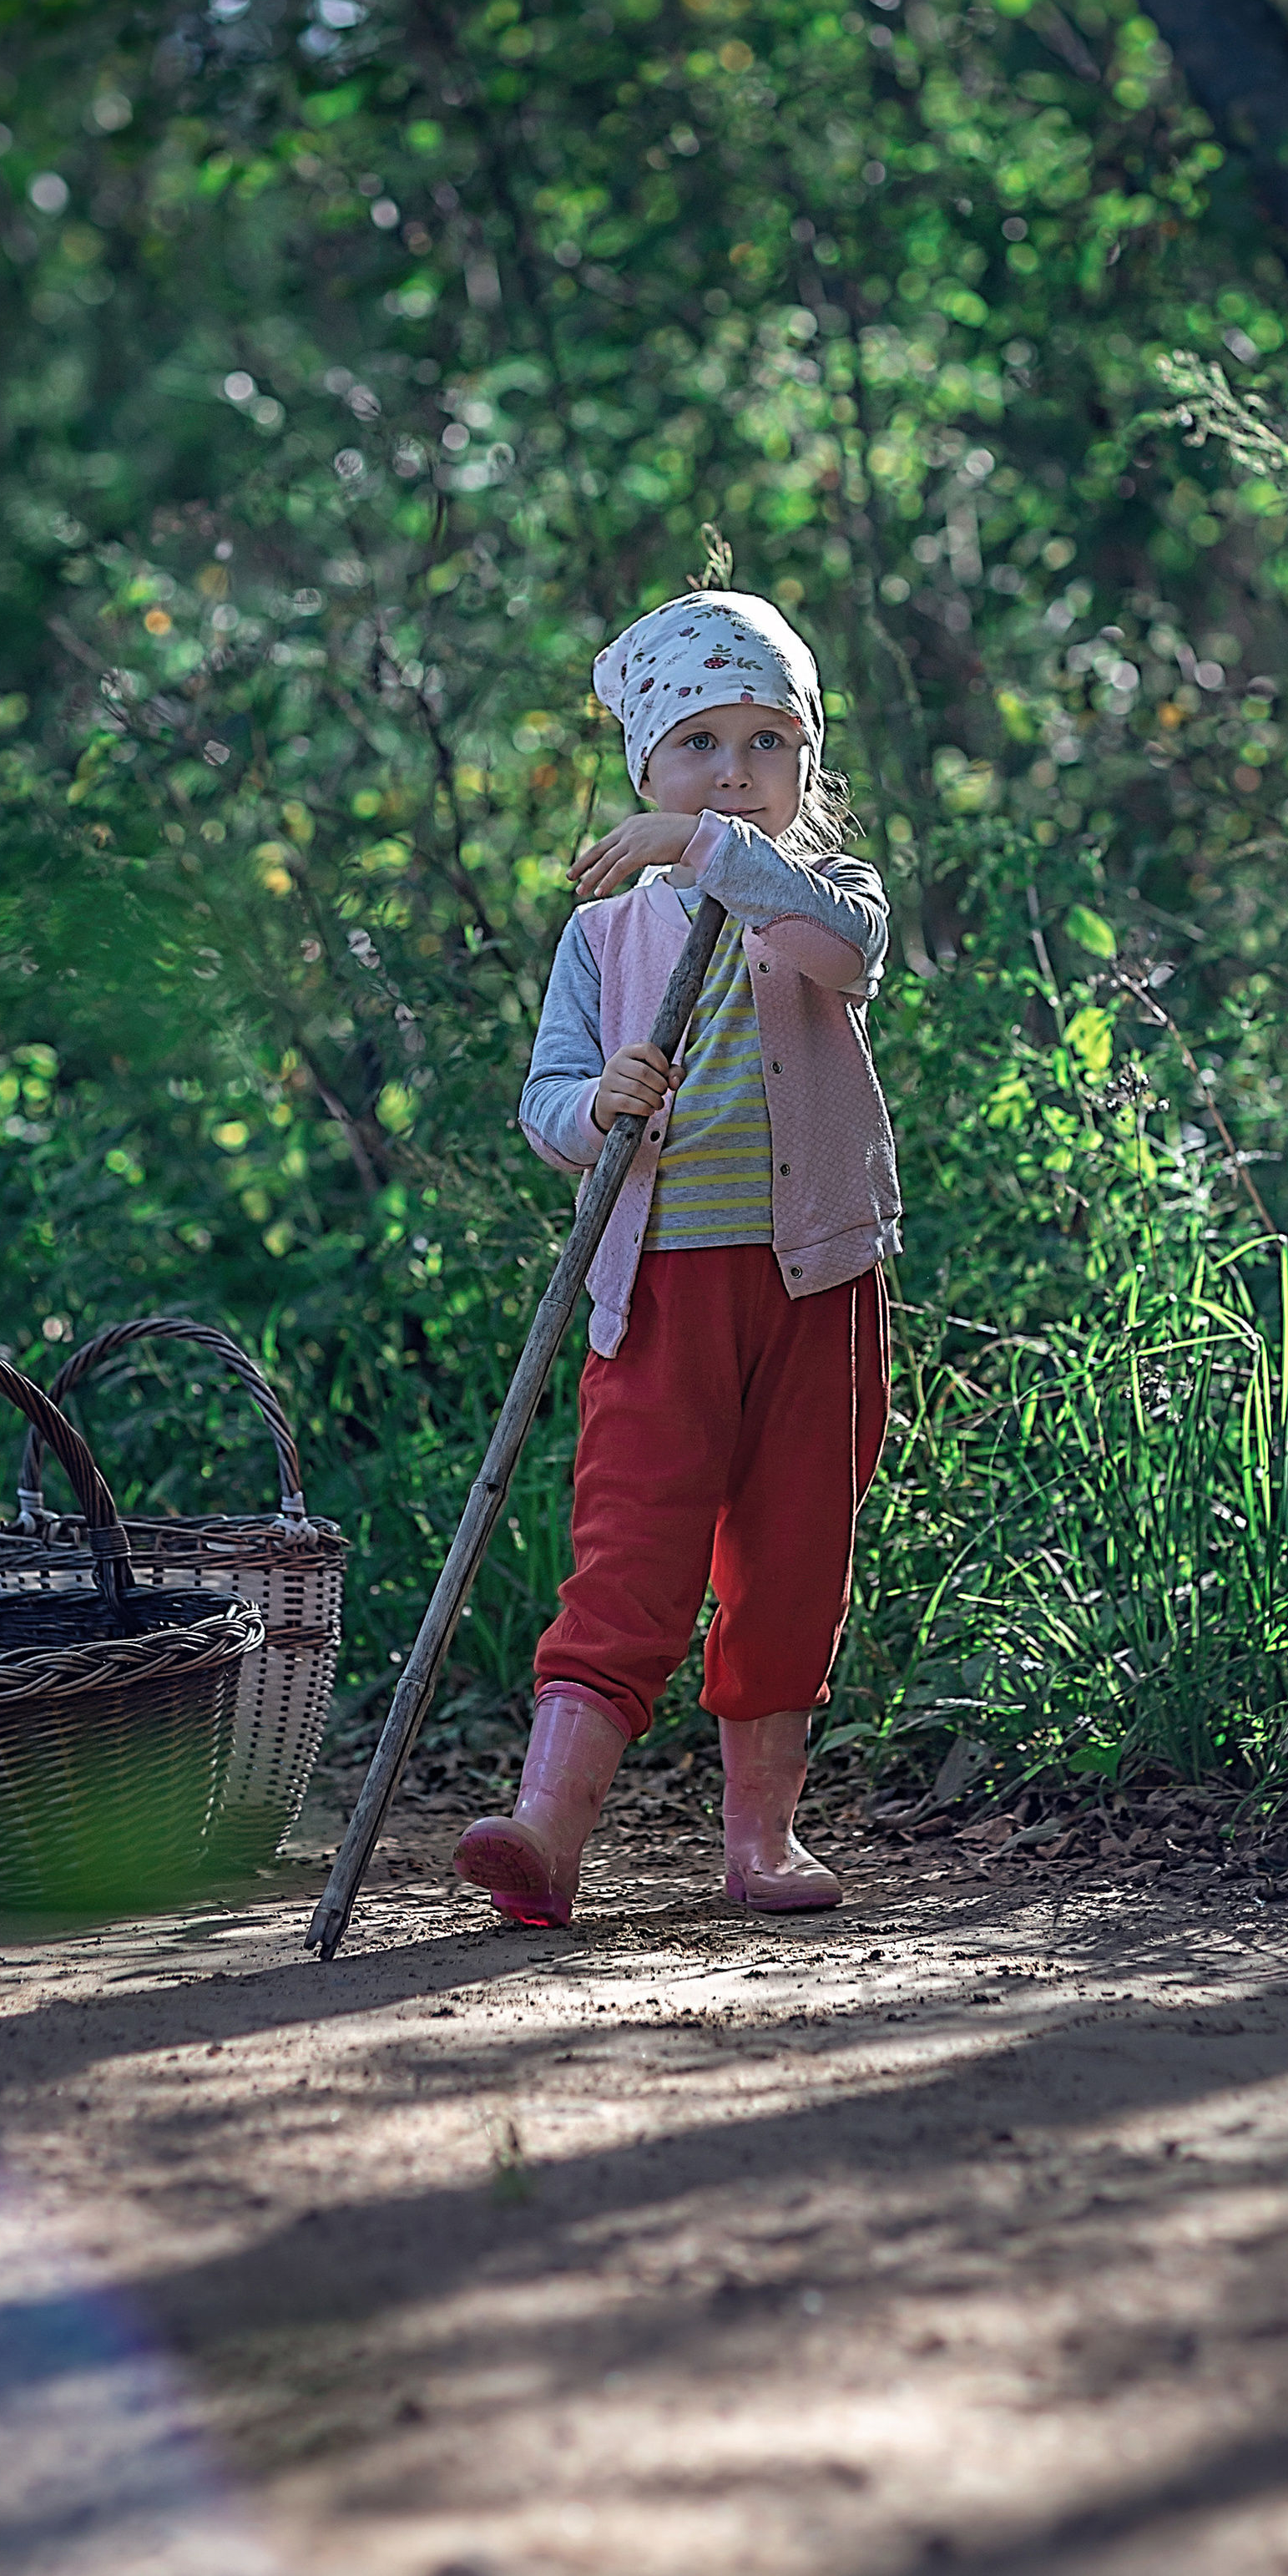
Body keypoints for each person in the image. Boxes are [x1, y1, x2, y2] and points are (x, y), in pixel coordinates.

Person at [452, 590, 901, 1927]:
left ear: (809, 769)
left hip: (814, 1283)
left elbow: (849, 957)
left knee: (791, 1550)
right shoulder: (603, 935)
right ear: (643, 768)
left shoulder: (823, 896)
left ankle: (761, 1837)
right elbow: (546, 1101)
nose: (738, 772)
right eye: (700, 743)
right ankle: (548, 1827)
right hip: (657, 1291)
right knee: (630, 1549)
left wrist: (710, 846)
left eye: (771, 743)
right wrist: (596, 1111)